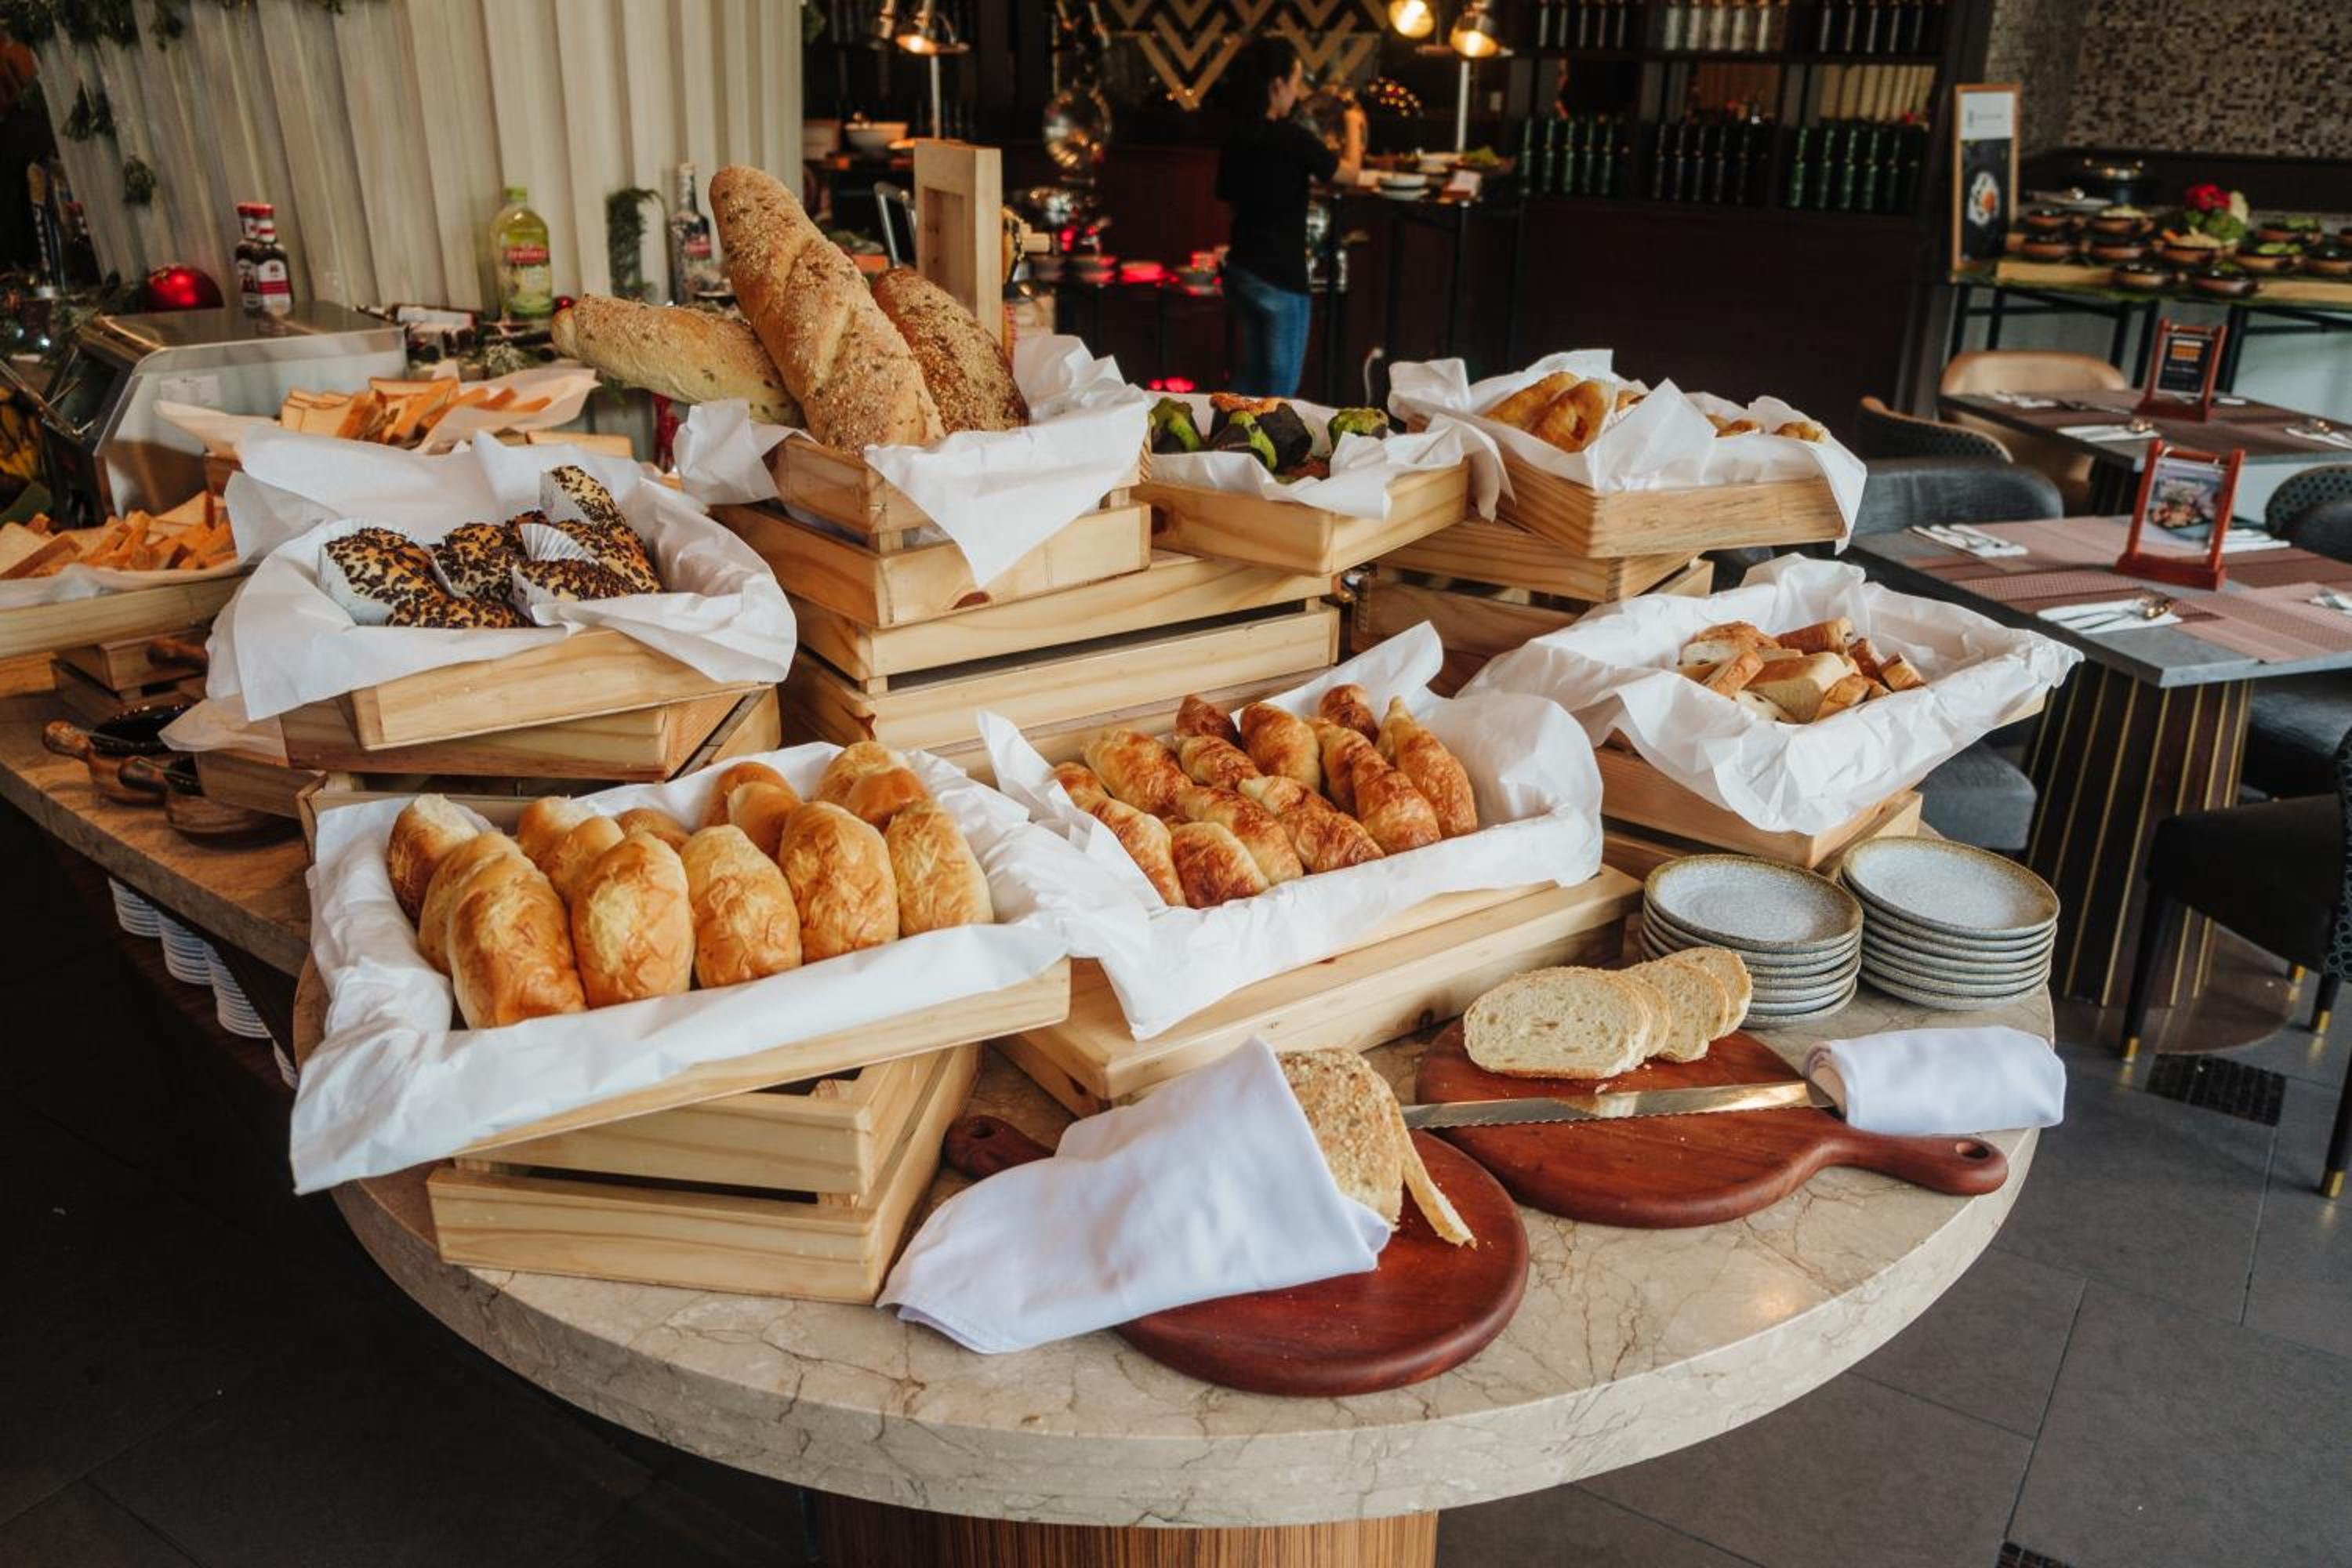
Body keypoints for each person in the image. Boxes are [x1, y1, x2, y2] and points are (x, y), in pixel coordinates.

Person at [1214, 38, 1363, 397]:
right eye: (1295, 82)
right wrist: (1353, 125)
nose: (1297, 93)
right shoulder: (1292, 138)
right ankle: (1264, 437)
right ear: (1277, 85)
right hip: (1281, 277)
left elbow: (1228, 194)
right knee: (1281, 389)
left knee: (1251, 375)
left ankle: (1227, 429)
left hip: (1242, 270)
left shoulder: (1236, 136)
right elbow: (1350, 175)